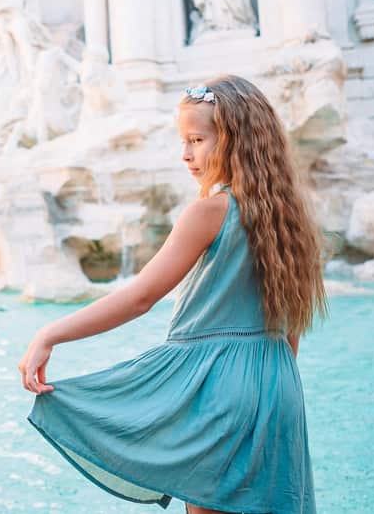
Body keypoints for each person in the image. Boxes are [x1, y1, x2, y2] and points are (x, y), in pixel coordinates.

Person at [19, 74, 327, 513]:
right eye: (184, 141)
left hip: (217, 390)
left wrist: (51, 333)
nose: (185, 154)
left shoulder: (209, 212)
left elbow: (141, 296)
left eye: (197, 140)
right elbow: (290, 324)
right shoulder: (290, 218)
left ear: (234, 140)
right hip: (278, 386)